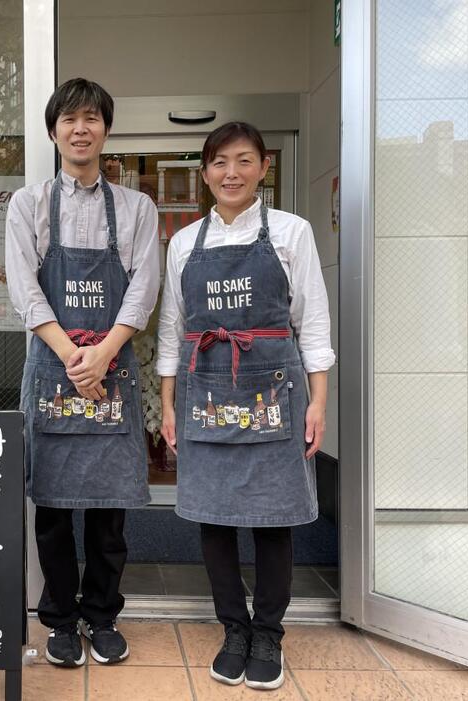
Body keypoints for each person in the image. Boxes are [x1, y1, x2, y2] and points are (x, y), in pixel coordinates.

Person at [156, 121, 334, 690]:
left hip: (277, 395)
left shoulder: (291, 232)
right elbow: (170, 330)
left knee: (273, 519)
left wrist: (319, 402)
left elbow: (313, 322)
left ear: (263, 168)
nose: (230, 173)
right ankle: (233, 628)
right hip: (205, 391)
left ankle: (268, 634)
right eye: (219, 163)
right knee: (213, 517)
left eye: (243, 161)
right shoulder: (185, 243)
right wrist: (167, 406)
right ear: (205, 173)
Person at [5, 78, 160, 668]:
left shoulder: (137, 207)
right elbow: (25, 289)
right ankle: (60, 620)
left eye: (91, 118)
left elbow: (143, 288)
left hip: (111, 370)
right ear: (53, 132)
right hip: (53, 370)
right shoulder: (30, 204)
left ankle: (102, 615)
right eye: (68, 120)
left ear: (105, 130)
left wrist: (103, 354)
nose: (80, 129)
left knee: (107, 511)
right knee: (51, 509)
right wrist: (75, 356)